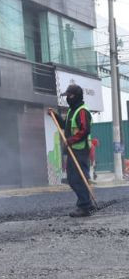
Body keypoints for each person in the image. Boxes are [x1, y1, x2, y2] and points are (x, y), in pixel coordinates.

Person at [49, 84, 93, 217]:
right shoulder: (71, 111)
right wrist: (55, 115)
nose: (67, 98)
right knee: (73, 178)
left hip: (80, 150)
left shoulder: (82, 111)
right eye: (67, 96)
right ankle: (86, 203)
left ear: (76, 96)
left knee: (77, 178)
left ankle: (84, 206)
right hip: (73, 150)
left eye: (69, 96)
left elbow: (85, 130)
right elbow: (64, 125)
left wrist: (71, 140)